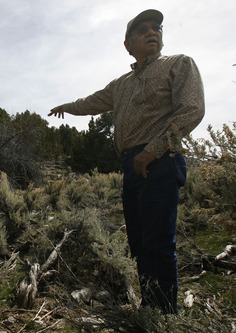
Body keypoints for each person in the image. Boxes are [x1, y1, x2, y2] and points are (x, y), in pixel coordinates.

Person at [48, 9, 204, 314]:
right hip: (132, 166)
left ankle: (164, 316)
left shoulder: (179, 64)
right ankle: (150, 309)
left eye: (157, 27)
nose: (152, 32)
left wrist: (153, 151)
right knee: (140, 243)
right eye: (143, 29)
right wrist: (67, 106)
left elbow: (191, 110)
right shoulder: (121, 84)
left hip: (159, 159)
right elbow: (92, 102)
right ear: (127, 43)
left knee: (159, 243)